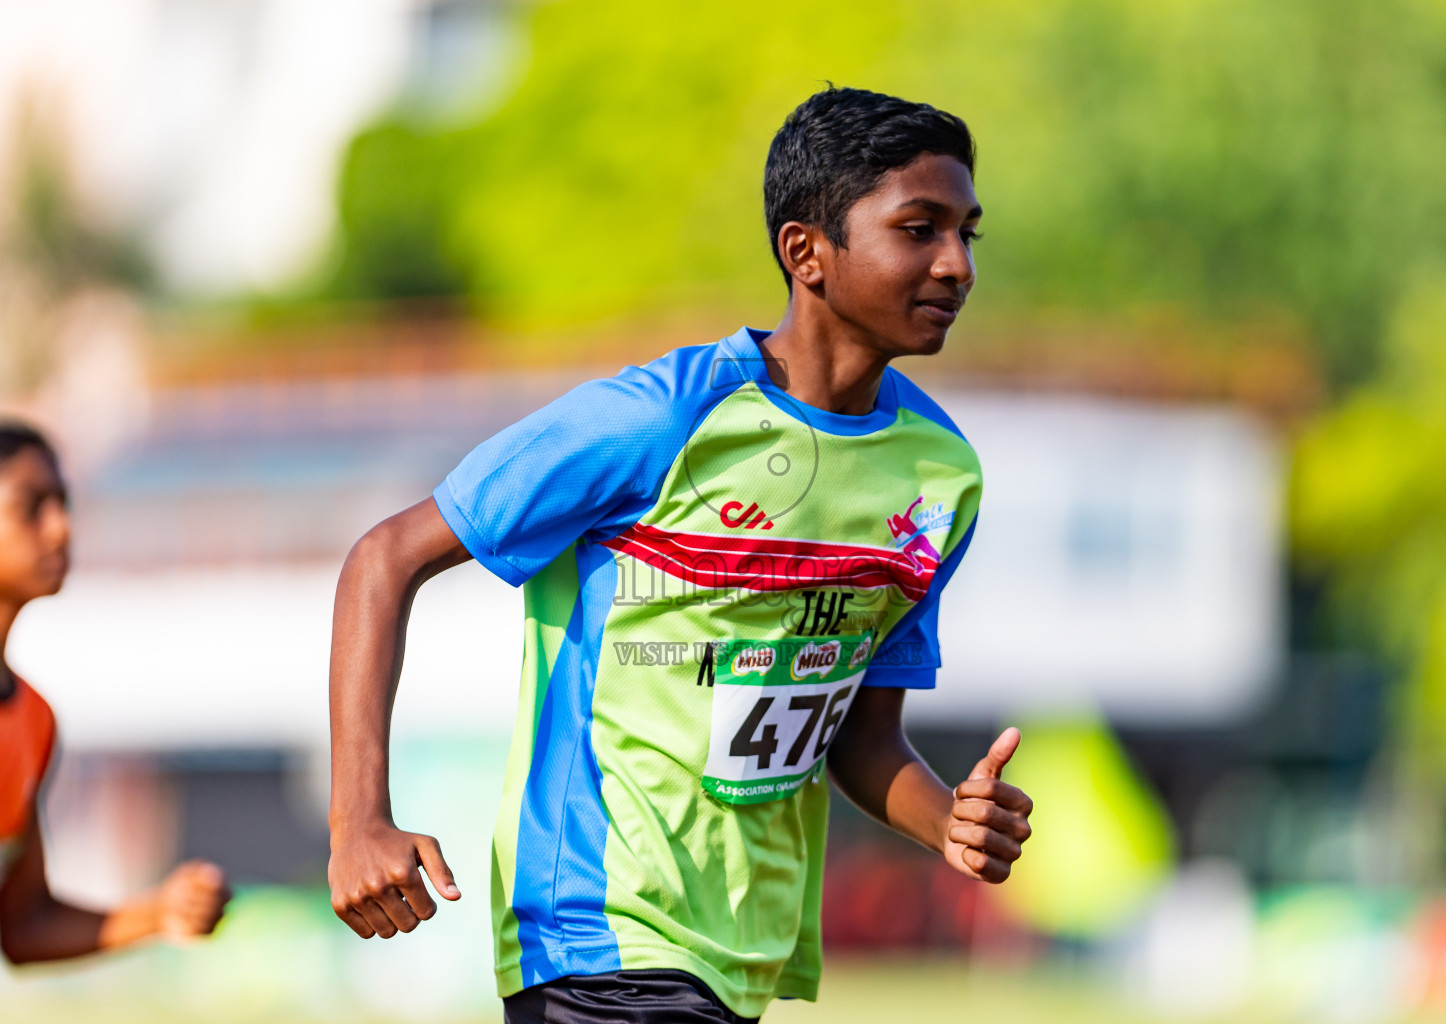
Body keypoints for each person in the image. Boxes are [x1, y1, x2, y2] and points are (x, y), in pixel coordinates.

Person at [327, 86, 1033, 1023]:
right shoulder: (662, 417)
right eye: (920, 229)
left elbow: (859, 735)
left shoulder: (940, 475)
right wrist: (357, 819)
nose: (956, 265)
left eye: (967, 235)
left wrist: (948, 819)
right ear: (806, 252)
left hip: (743, 959)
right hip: (597, 933)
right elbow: (385, 557)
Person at [0, 423, 230, 965]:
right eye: (32, 506)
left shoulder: (32, 720)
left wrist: (162, 911)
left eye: (64, 504)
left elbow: (23, 924)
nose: (60, 529)